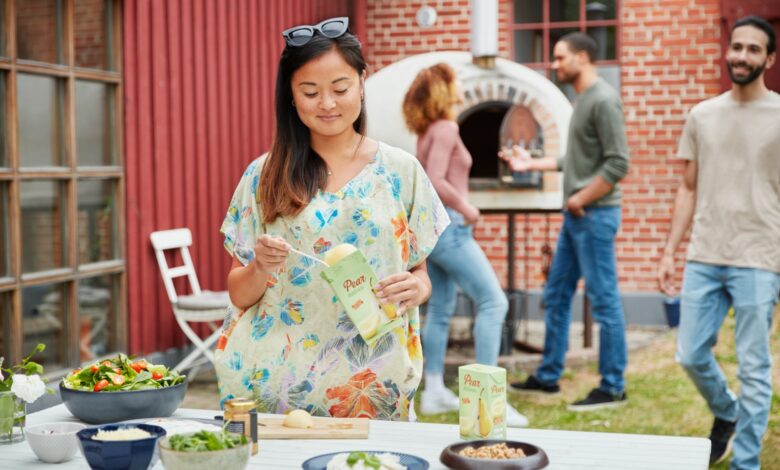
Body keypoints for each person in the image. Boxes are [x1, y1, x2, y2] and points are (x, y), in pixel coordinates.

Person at [215, 17, 449, 421]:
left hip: (374, 388)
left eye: (340, 88)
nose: (327, 103)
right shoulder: (263, 175)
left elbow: (421, 275)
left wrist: (416, 289)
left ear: (362, 81)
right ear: (290, 95)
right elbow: (239, 293)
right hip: (272, 390)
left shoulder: (401, 171)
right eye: (310, 91)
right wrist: (260, 267)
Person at [656, 16, 779, 469]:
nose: (741, 56)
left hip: (759, 256)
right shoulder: (702, 115)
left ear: (769, 58)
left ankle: (745, 462)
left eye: (753, 49)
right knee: (689, 353)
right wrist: (670, 250)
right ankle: (726, 412)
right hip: (704, 253)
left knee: (754, 367)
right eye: (736, 47)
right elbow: (688, 186)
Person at [500, 32, 630, 411]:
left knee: (604, 302)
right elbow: (576, 161)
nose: (554, 64)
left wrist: (578, 199)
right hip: (577, 218)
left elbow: (618, 162)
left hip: (594, 215)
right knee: (556, 296)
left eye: (560, 58)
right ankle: (549, 376)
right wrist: (531, 163)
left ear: (584, 57)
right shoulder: (582, 99)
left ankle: (613, 386)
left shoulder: (603, 100)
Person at [401, 63, 528, 427]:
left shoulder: (427, 131)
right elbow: (436, 180)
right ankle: (487, 401)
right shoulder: (445, 128)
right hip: (451, 229)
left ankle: (436, 390)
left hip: (432, 232)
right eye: (455, 81)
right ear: (443, 90)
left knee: (440, 307)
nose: (461, 86)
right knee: (493, 301)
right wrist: (467, 207)